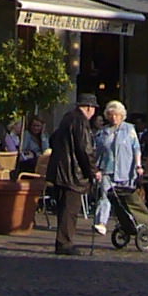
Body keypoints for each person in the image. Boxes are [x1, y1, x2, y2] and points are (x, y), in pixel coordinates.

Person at [48, 92, 101, 255]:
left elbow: (53, 139)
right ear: (89, 108)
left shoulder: (67, 118)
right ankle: (65, 243)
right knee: (70, 210)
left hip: (61, 171)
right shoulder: (81, 121)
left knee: (64, 209)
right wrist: (93, 171)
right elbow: (85, 149)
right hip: (72, 173)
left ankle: (63, 241)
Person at [95, 100, 148, 248]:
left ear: (122, 116)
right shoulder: (103, 132)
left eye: (117, 115)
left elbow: (136, 149)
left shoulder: (129, 129)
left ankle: (131, 222)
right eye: (111, 115)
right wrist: (97, 169)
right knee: (105, 196)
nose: (114, 118)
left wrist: (138, 166)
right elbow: (98, 152)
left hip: (126, 171)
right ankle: (101, 223)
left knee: (126, 200)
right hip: (108, 169)